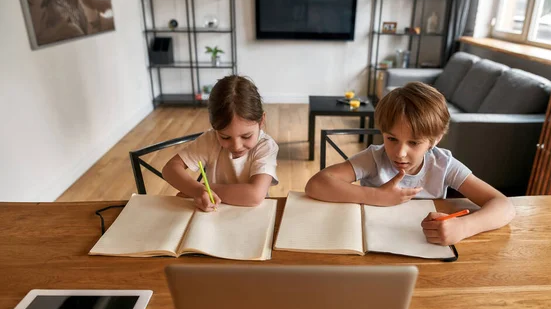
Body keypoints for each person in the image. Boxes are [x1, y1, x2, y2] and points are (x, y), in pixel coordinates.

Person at [305, 82, 515, 245]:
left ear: (434, 140)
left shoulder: (444, 165)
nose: (400, 153)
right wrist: (377, 196)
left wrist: (463, 227)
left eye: (414, 142)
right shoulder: (373, 159)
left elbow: (504, 206)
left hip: (426, 245)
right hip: (374, 241)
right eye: (391, 138)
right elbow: (316, 184)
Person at [163, 75, 278, 211]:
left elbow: (254, 196)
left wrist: (205, 189)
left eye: (246, 136)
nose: (236, 146)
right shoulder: (210, 139)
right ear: (214, 127)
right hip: (215, 213)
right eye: (225, 137)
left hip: (254, 215)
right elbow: (170, 169)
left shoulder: (265, 146)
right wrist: (197, 190)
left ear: (261, 121)